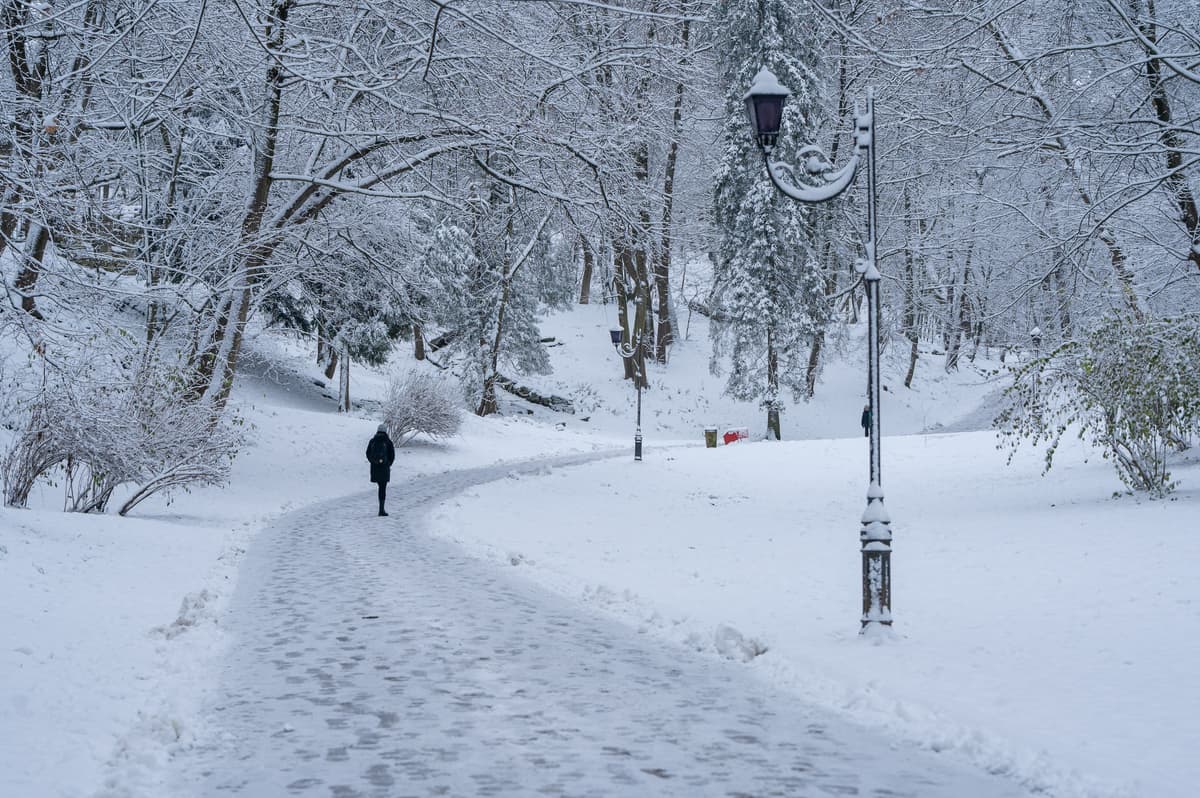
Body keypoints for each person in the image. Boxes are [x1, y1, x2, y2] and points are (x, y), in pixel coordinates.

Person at [366, 424, 395, 516]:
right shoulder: (388, 442)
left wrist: (373, 462)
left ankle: (381, 510)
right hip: (384, 469)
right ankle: (381, 509)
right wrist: (387, 464)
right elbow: (392, 455)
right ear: (385, 431)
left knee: (380, 486)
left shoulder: (372, 441)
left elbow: (368, 453)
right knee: (382, 488)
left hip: (375, 468)